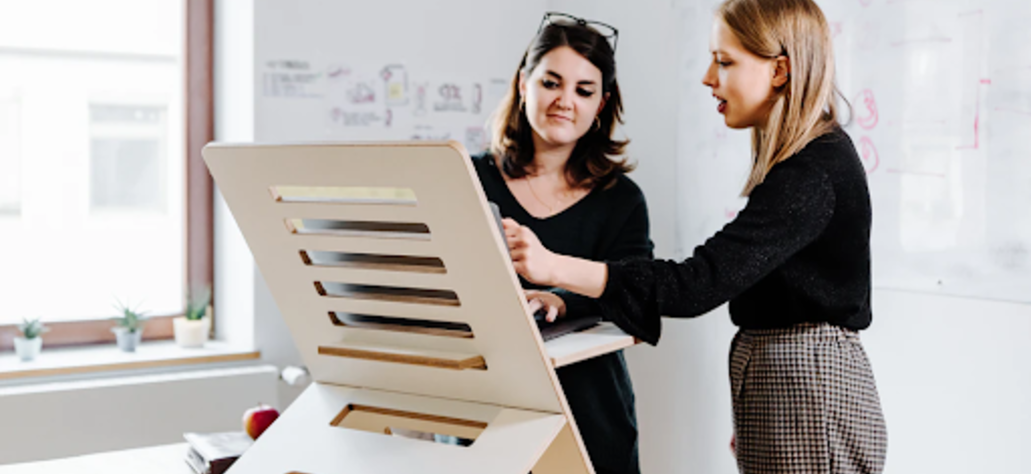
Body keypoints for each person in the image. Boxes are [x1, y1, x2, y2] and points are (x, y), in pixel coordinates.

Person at [502, 1, 888, 472]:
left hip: (804, 386)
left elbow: (695, 285)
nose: (709, 77)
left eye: (724, 62)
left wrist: (553, 267)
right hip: (783, 384)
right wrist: (760, 404)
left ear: (780, 71)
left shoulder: (811, 172)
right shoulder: (803, 164)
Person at [472, 12, 652, 474]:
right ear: (522, 83)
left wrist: (559, 298)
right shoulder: (470, 179)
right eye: (551, 82)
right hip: (487, 416)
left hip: (591, 418)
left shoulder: (621, 200)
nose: (564, 101)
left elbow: (637, 299)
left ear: (602, 104)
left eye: (584, 90)